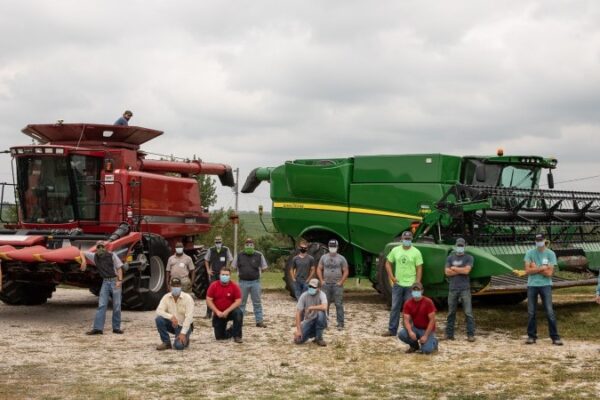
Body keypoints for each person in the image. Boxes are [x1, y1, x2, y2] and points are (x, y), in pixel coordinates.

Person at [382, 231, 423, 337]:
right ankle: (392, 330)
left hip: (410, 285)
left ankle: (408, 331)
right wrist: (391, 276)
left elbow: (419, 268)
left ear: (411, 239)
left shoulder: (416, 252)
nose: (407, 241)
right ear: (402, 239)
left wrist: (417, 282)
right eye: (405, 239)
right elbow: (388, 263)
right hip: (398, 284)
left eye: (409, 239)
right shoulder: (395, 250)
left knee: (409, 308)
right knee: (395, 307)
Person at [524, 233, 563, 345]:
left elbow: (550, 273)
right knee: (531, 312)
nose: (538, 242)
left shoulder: (551, 254)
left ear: (545, 240)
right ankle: (531, 336)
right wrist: (542, 268)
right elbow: (527, 271)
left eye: (540, 240)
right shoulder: (529, 253)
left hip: (546, 285)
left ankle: (555, 337)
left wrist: (535, 267)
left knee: (549, 311)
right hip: (532, 285)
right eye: (537, 240)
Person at [80, 241, 124, 335]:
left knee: (117, 305)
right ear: (96, 248)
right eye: (98, 247)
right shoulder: (94, 256)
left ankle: (116, 328)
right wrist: (84, 261)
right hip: (105, 282)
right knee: (102, 305)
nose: (100, 249)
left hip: (114, 280)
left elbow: (119, 268)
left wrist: (119, 281)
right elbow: (82, 252)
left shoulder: (112, 255)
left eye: (102, 246)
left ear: (105, 247)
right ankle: (98, 329)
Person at [444, 238, 476, 342]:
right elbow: (447, 272)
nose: (460, 247)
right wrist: (460, 270)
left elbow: (467, 271)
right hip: (452, 288)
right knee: (451, 312)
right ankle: (449, 334)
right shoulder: (450, 257)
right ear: (455, 246)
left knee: (468, 312)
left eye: (461, 246)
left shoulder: (469, 258)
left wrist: (454, 268)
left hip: (465, 289)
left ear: (464, 246)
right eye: (458, 245)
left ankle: (470, 334)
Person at [232, 238, 268, 327]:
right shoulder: (239, 255)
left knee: (257, 302)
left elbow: (264, 267)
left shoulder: (259, 255)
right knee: (241, 303)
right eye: (247, 244)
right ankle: (239, 322)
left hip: (255, 282)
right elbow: (233, 266)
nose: (249, 245)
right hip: (242, 283)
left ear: (254, 245)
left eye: (251, 244)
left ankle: (259, 322)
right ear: (244, 245)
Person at [317, 239, 349, 330]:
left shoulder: (341, 258)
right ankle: (324, 323)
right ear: (328, 247)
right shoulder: (323, 257)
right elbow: (319, 268)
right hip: (325, 285)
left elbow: (346, 271)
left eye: (334, 247)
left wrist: (341, 282)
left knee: (338, 304)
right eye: (331, 247)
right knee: (325, 304)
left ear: (337, 247)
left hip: (337, 285)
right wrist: (321, 280)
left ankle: (340, 324)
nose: (332, 248)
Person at [155, 277, 195, 350]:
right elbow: (159, 311)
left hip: (185, 325)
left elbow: (189, 318)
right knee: (159, 319)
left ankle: (186, 337)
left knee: (178, 346)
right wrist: (171, 317)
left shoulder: (188, 298)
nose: (175, 288)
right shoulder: (166, 297)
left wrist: (183, 333)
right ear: (170, 287)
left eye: (177, 286)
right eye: (173, 286)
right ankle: (166, 342)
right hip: (173, 325)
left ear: (180, 287)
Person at [398, 282, 438, 354]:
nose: (416, 292)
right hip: (416, 328)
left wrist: (425, 335)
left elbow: (432, 320)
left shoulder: (428, 302)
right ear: (411, 291)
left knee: (426, 351)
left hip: (427, 329)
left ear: (422, 291)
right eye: (414, 290)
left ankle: (434, 342)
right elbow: (406, 320)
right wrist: (410, 331)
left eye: (418, 290)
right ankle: (414, 346)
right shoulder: (408, 303)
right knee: (402, 334)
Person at [206, 268, 243, 343]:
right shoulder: (214, 285)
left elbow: (238, 301)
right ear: (219, 275)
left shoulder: (234, 286)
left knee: (239, 313)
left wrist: (227, 311)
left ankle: (237, 336)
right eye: (223, 274)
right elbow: (208, 300)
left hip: (231, 311)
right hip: (218, 313)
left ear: (230, 276)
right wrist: (217, 311)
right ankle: (232, 330)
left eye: (227, 275)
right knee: (219, 337)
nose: (224, 276)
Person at [204, 235, 233, 318]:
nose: (218, 242)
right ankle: (208, 313)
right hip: (214, 274)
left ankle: (225, 311)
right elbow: (206, 260)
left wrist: (227, 268)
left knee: (224, 292)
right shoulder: (211, 250)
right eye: (216, 241)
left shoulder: (226, 249)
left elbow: (230, 259)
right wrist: (208, 270)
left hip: (223, 274)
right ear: (214, 241)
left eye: (219, 241)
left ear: (222, 241)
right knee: (211, 293)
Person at [294, 278, 328, 346]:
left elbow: (324, 307)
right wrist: (298, 330)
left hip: (320, 319)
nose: (311, 288)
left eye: (313, 287)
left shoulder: (322, 294)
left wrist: (311, 307)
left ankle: (319, 338)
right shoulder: (304, 295)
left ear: (318, 288)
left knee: (320, 313)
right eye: (310, 286)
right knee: (298, 341)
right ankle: (312, 333)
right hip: (308, 320)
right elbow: (298, 313)